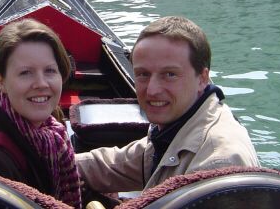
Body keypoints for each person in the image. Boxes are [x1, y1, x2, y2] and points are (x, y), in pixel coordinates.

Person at [76, 16, 260, 194]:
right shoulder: (177, 127)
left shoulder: (217, 165)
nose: (152, 90)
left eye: (170, 74)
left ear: (202, 78)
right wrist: (56, 161)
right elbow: (116, 165)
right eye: (143, 74)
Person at [0, 19, 81, 208]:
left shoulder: (44, 128)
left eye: (50, 71)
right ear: (2, 81)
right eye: (25, 73)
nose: (41, 83)